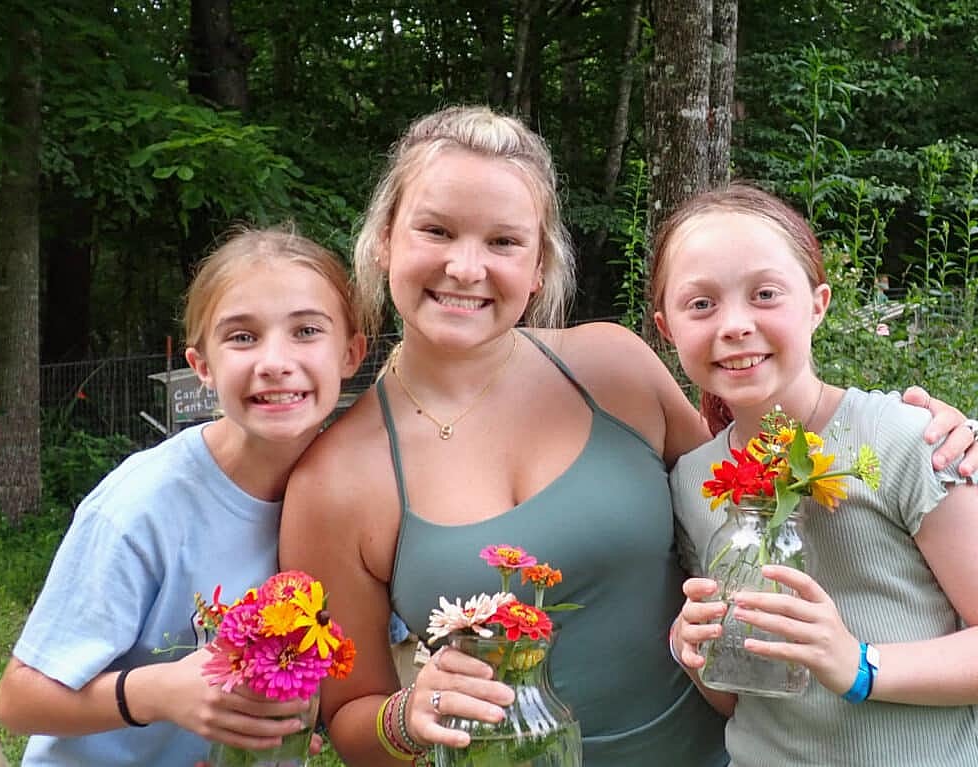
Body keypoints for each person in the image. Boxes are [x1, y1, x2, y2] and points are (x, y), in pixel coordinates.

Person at [277, 106, 978, 766]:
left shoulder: (613, 368)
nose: (467, 267)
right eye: (436, 231)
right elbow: (343, 716)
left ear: (540, 265)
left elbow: (752, 458)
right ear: (383, 240)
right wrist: (407, 714)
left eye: (503, 241)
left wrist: (920, 429)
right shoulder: (334, 480)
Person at [0, 228, 367, 766]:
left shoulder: (356, 498)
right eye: (242, 337)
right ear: (203, 368)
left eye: (306, 330)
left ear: (351, 353)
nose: (274, 361)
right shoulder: (140, 507)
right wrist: (160, 693)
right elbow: (17, 699)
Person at [655, 185, 978, 765]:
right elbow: (737, 700)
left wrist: (859, 665)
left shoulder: (908, 440)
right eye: (700, 304)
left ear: (818, 303)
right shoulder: (692, 481)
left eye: (765, 294)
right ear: (666, 328)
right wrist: (695, 650)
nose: (734, 325)